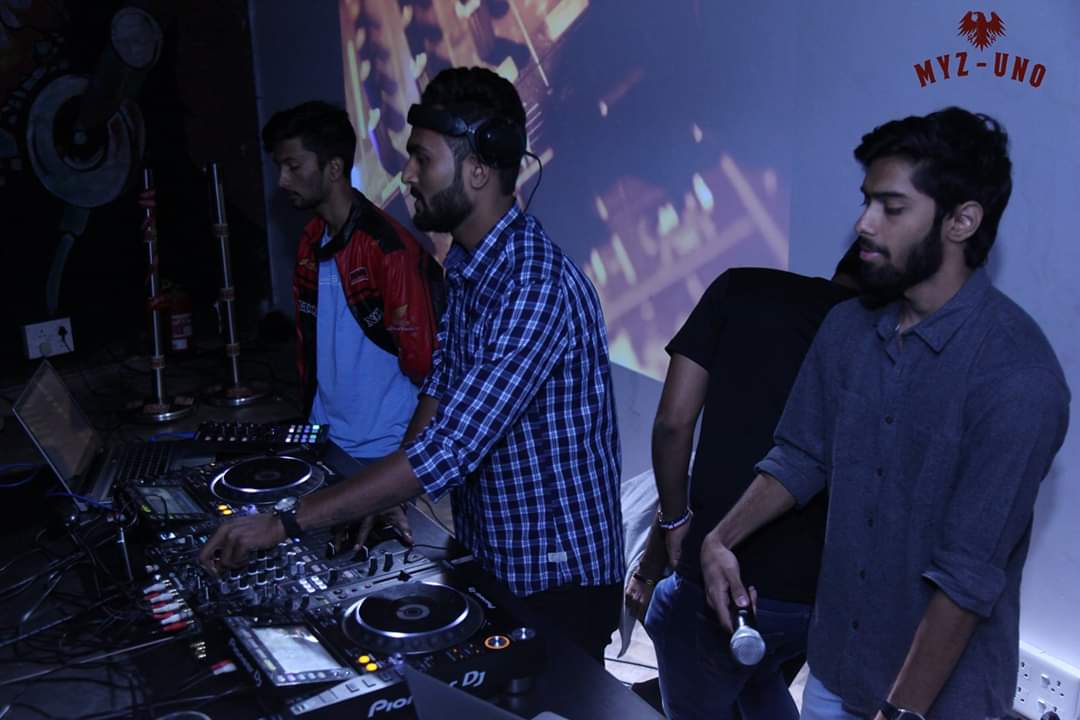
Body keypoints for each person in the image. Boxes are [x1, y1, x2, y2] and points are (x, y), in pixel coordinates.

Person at [201, 68, 625, 662]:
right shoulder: (470, 268)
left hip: (554, 580)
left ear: (478, 169)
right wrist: (387, 497)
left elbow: (449, 448)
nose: (407, 175)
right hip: (496, 560)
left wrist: (286, 522)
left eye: (422, 158)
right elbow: (438, 391)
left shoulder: (534, 286)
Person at [699, 107, 1069, 720]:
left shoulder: (1019, 378)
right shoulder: (847, 327)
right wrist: (720, 538)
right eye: (867, 201)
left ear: (962, 221)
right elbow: (801, 455)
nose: (864, 223)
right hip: (834, 674)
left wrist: (900, 713)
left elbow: (966, 579)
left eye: (891, 208)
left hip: (939, 706)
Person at [623, 248, 859, 720]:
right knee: (758, 680)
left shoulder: (741, 288)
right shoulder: (879, 339)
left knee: (677, 629)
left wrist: (671, 524)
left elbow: (673, 424)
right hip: (814, 597)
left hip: (718, 578)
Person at [261, 101, 437, 467]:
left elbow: (424, 362)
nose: (283, 180)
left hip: (382, 450)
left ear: (334, 168)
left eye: (293, 166)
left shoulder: (386, 247)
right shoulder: (310, 241)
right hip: (323, 439)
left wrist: (408, 460)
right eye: (280, 167)